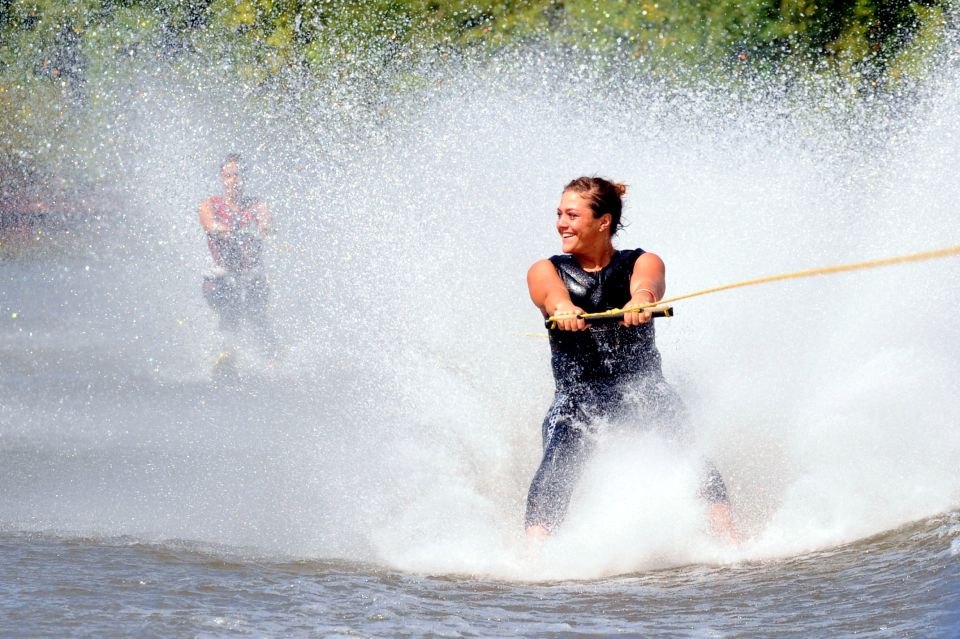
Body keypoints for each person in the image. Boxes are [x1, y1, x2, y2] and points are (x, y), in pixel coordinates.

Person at [524, 176, 738, 541]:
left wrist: (640, 302)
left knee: (687, 455)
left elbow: (647, 284)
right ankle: (535, 560)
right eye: (559, 214)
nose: (562, 223)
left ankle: (732, 542)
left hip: (643, 390)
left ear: (603, 221)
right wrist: (563, 309)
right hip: (578, 397)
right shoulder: (546, 270)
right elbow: (552, 296)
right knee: (557, 463)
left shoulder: (642, 261)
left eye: (572, 215)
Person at [198, 153, 280, 374]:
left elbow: (266, 221)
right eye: (228, 176)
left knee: (256, 313)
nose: (233, 180)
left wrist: (263, 227)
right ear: (221, 178)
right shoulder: (209, 205)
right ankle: (228, 352)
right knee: (230, 301)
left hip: (251, 272)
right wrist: (227, 230)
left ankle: (272, 359)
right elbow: (209, 225)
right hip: (222, 274)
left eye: (237, 175)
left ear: (245, 178)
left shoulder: (256, 205)